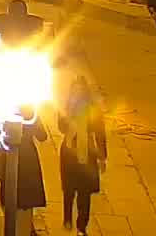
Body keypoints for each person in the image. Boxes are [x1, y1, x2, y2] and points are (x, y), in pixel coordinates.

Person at [57, 76, 108, 235]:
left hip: (87, 152)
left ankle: (81, 226)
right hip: (69, 153)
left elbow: (100, 133)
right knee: (69, 189)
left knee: (84, 192)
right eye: (76, 90)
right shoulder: (66, 108)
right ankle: (67, 218)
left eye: (81, 90)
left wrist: (102, 156)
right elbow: (61, 128)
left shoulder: (94, 110)